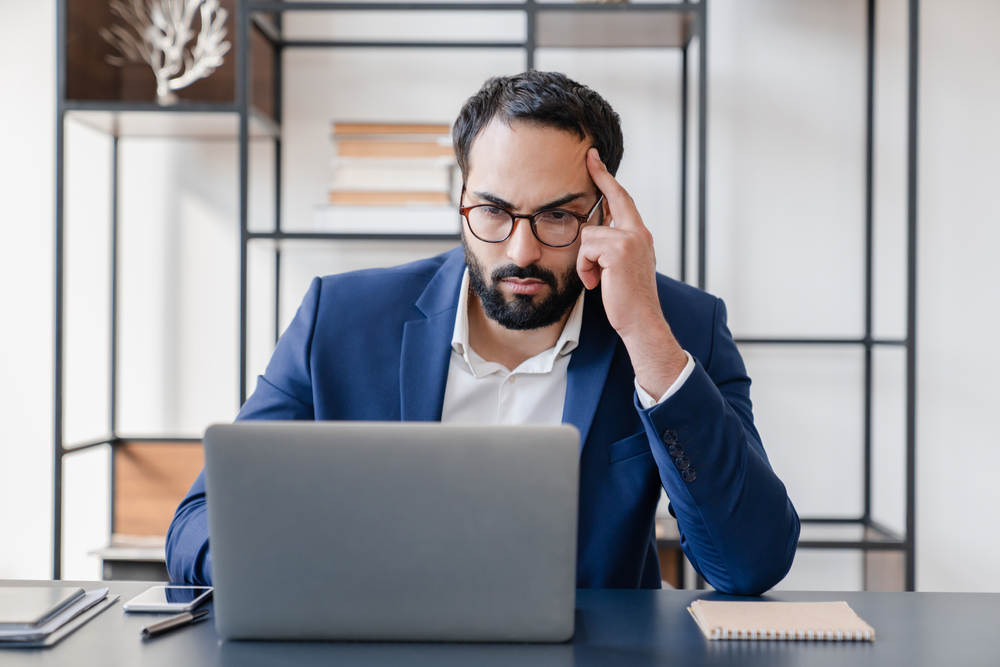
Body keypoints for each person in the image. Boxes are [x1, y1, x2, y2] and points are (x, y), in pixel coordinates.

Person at [167, 70, 800, 595]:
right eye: (494, 211)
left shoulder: (679, 330)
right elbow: (197, 524)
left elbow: (748, 564)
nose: (521, 251)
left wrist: (646, 337)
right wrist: (300, 579)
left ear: (606, 213)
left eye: (558, 216)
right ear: (461, 199)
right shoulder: (340, 319)